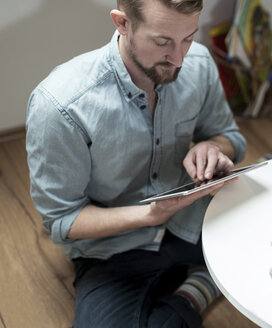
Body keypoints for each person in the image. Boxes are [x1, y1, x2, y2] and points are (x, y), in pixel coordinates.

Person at [25, 0, 246, 327]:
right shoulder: (60, 107)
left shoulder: (198, 63)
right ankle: (197, 289)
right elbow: (62, 220)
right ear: (122, 23)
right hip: (113, 247)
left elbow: (229, 136)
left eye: (187, 38)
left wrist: (214, 147)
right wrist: (150, 213)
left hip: (193, 217)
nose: (180, 58)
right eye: (162, 42)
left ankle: (200, 278)